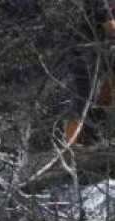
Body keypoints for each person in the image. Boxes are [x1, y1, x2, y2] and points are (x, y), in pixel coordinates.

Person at [64, 1, 115, 145]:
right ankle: (71, 143)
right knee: (83, 96)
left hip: (98, 51)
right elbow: (109, 25)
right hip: (84, 49)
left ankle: (88, 140)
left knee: (94, 96)